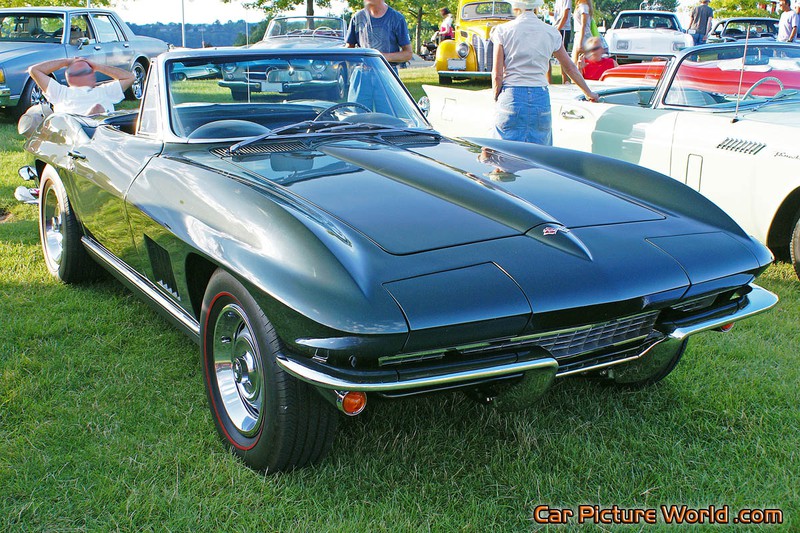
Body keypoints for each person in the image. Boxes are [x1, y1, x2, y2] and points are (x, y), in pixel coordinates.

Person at [491, 0, 598, 145]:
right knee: (540, 157)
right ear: (537, 6)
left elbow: (497, 74)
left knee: (504, 154)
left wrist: (497, 97)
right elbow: (570, 67)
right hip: (540, 96)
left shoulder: (503, 30)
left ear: (515, 6)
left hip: (511, 94)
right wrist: (588, 93)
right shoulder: (551, 32)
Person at [28, 57, 135, 115]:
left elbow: (34, 70)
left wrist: (66, 62)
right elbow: (129, 77)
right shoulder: (105, 91)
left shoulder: (60, 93)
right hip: (93, 132)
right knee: (99, 112)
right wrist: (97, 66)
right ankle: (91, 118)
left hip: (76, 132)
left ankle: (91, 118)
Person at [346, 0, 413, 71]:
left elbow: (408, 54)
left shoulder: (397, 18)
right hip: (362, 74)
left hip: (387, 74)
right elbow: (348, 49)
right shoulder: (357, 18)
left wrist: (379, 57)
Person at [571, 0, 593, 66]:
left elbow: (583, 25)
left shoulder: (584, 7)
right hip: (580, 34)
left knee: (576, 61)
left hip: (583, 35)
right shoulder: (581, 6)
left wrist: (580, 43)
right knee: (577, 61)